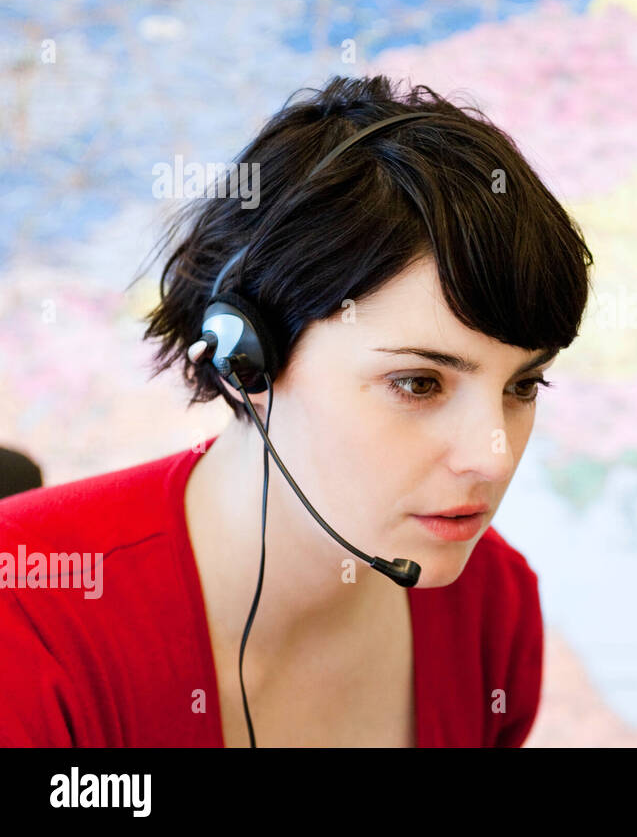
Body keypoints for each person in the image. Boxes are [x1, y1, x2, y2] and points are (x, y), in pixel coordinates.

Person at [0, 75, 593, 747]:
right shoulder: (24, 621)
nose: (494, 454)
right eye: (420, 384)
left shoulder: (492, 605)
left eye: (524, 386)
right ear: (246, 360)